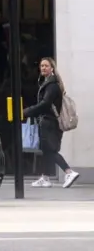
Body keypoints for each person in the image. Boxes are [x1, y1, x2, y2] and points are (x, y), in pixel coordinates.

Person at [24, 57, 79, 188]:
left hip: (49, 122)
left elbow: (45, 104)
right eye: (42, 66)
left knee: (50, 150)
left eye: (46, 66)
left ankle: (69, 172)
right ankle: (45, 177)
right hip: (49, 122)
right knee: (45, 150)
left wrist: (26, 111)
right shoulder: (49, 83)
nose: (43, 68)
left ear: (52, 68)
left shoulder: (52, 85)